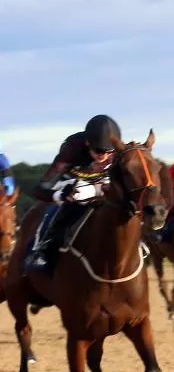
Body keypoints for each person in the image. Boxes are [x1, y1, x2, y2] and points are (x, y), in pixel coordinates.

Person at [26, 114, 122, 271]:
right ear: (87, 143)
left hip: (102, 182)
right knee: (80, 192)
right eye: (99, 150)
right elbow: (38, 189)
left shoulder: (118, 153)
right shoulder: (72, 150)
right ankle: (42, 248)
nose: (104, 156)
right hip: (71, 182)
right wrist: (58, 195)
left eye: (109, 151)